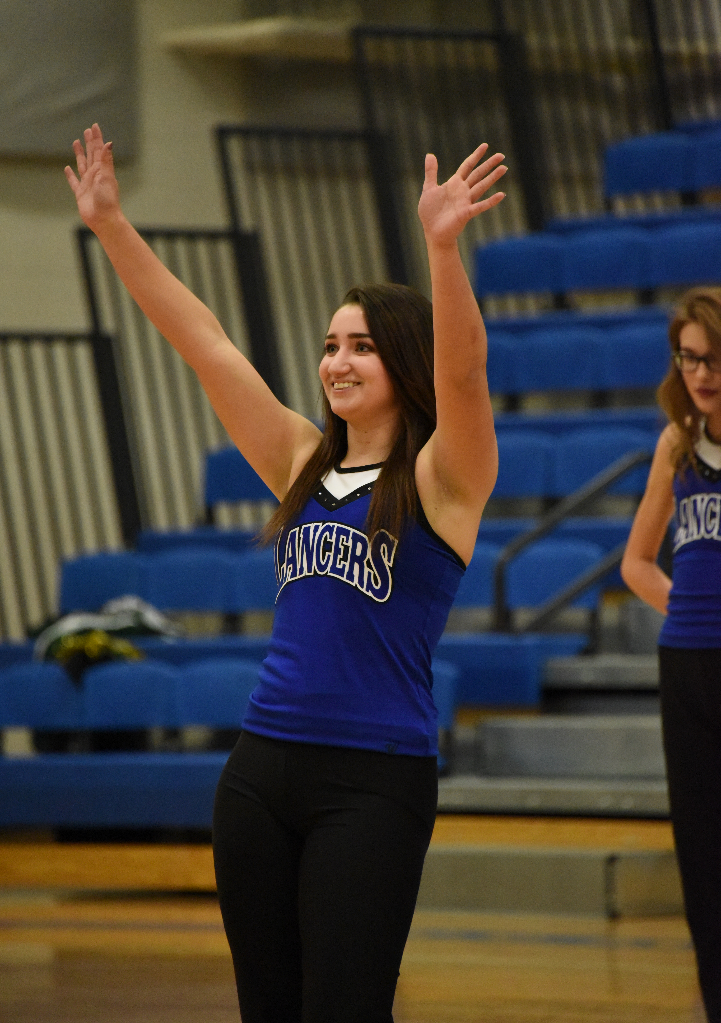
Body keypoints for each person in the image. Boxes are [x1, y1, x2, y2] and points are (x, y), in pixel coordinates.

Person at [65, 124, 506, 1023]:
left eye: (362, 347)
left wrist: (441, 249)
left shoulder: (442, 480)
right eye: (331, 344)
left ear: (402, 365)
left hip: (373, 780)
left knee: (343, 1007)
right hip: (260, 774)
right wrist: (110, 225)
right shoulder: (299, 460)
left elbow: (463, 375)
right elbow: (206, 343)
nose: (337, 362)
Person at [621, 288, 721, 1023]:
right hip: (683, 667)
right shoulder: (676, 441)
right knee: (701, 853)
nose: (699, 374)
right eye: (688, 358)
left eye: (712, 358)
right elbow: (636, 563)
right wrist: (685, 609)